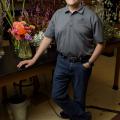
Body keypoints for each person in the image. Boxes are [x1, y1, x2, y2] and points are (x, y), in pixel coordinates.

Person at [17, 0, 104, 120]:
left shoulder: (91, 16)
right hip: (62, 62)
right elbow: (47, 37)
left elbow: (100, 43)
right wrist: (33, 59)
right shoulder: (58, 15)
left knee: (79, 98)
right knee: (57, 95)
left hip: (82, 64)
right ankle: (83, 117)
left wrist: (89, 63)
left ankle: (74, 114)